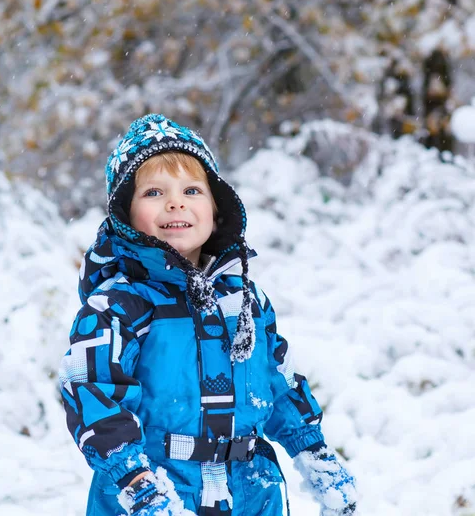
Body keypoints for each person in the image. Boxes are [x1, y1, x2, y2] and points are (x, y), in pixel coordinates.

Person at [59, 114, 357, 516]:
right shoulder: (117, 306)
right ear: (124, 217)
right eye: (153, 193)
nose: (175, 201)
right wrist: (137, 483)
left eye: (192, 189)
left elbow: (278, 383)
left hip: (252, 490)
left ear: (216, 209)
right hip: (159, 489)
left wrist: (314, 452)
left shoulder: (246, 301)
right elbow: (91, 390)